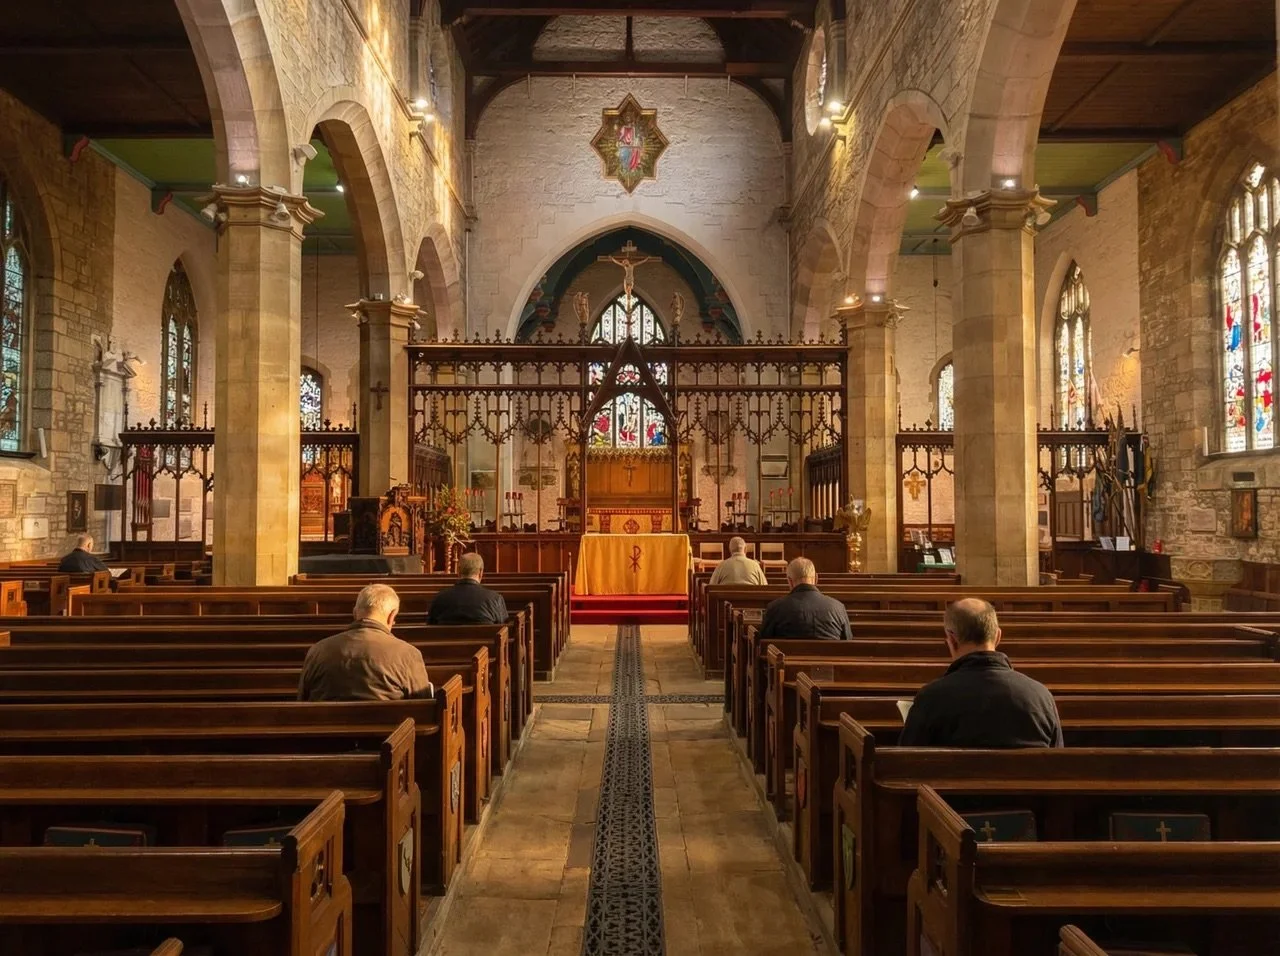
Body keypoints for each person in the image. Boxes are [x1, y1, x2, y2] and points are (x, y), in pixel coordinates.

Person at [898, 598, 1063, 748]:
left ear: (952, 640)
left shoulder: (931, 697)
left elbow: (907, 761)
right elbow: (1057, 763)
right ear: (998, 636)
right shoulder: (1041, 696)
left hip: (953, 781)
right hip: (1026, 782)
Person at [298, 584, 432, 701]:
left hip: (326, 728)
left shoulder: (318, 650)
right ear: (392, 616)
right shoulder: (408, 654)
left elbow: (303, 699)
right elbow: (423, 706)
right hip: (390, 729)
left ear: (355, 613)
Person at [758, 557, 852, 641]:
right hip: (829, 660)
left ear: (789, 581)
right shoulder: (838, 607)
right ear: (816, 579)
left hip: (788, 660)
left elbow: (763, 642)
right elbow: (848, 642)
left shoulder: (775, 608)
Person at [426, 552, 508, 625]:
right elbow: (503, 628)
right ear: (480, 572)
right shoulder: (495, 599)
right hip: (485, 642)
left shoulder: (440, 598)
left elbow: (430, 627)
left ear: (458, 571)